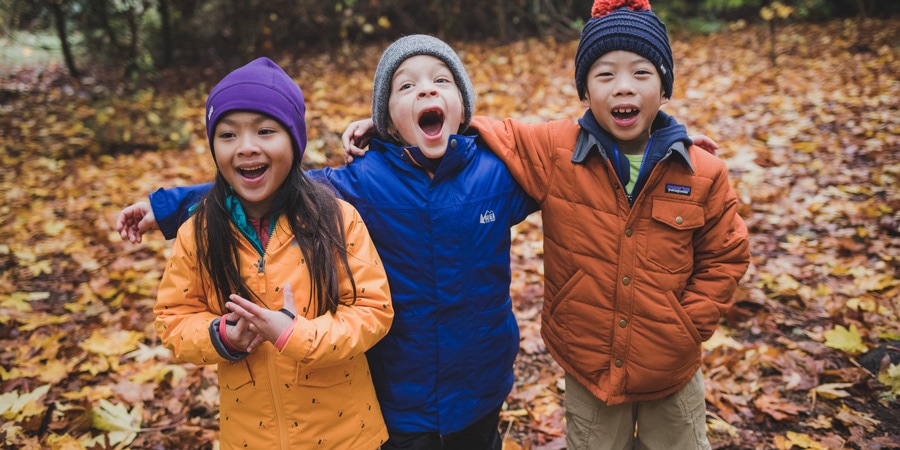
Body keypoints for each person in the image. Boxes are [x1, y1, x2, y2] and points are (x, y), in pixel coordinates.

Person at [343, 1, 750, 448]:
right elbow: (493, 132)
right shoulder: (556, 150)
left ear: (665, 86)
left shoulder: (700, 170)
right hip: (591, 369)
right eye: (605, 75)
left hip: (672, 369)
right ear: (584, 90)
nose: (623, 88)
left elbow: (726, 253)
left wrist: (686, 325)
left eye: (641, 73)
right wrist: (391, 127)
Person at [117, 36, 538, 449]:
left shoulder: (497, 174)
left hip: (482, 380)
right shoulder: (361, 182)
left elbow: (557, 169)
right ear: (386, 118)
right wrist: (169, 207)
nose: (426, 88)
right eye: (405, 86)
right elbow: (270, 184)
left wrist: (482, 130)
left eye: (442, 81)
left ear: (463, 106)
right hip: (402, 390)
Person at [149, 56, 393, 449]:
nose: (246, 148)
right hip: (249, 437)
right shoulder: (200, 232)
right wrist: (221, 336)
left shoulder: (335, 219)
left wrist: (297, 335)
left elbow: (373, 310)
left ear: (294, 143)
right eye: (227, 135)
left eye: (265, 131)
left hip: (346, 435)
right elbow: (172, 318)